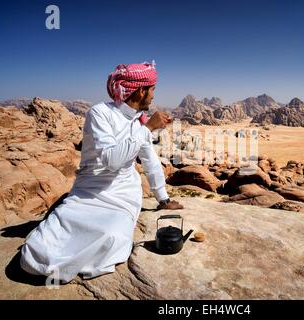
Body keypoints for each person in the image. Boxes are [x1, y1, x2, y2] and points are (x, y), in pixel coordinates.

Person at [20, 61, 183, 283]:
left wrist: (163, 199)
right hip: (89, 192)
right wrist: (149, 129)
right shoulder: (100, 114)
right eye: (152, 89)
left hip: (122, 194)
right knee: (36, 253)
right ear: (141, 90)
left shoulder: (138, 122)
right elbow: (111, 160)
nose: (154, 95)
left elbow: (150, 161)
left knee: (113, 238)